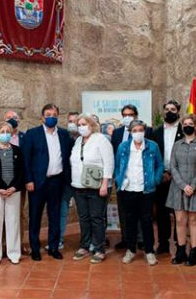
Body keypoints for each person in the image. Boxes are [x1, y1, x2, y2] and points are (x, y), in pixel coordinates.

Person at [22, 104, 73, 261]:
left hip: (57, 182)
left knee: (55, 216)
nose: (51, 117)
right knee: (35, 216)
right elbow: (26, 159)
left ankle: (53, 247)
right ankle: (35, 248)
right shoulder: (32, 134)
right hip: (37, 183)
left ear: (58, 116)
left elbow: (68, 158)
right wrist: (28, 180)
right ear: (42, 117)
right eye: (48, 114)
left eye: (54, 114)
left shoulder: (64, 135)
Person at [115, 120, 163, 265]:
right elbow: (117, 167)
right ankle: (131, 250)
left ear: (145, 131)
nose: (138, 132)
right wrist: (119, 180)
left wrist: (155, 180)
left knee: (147, 221)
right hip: (128, 190)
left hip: (146, 190)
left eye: (140, 129)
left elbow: (159, 165)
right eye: (134, 130)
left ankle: (149, 251)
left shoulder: (152, 146)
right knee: (130, 221)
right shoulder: (123, 147)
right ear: (130, 132)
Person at [70, 115, 114, 264]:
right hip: (78, 186)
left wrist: (104, 184)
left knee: (96, 218)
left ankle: (99, 248)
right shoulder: (78, 141)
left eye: (84, 124)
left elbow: (109, 163)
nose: (81, 127)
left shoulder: (101, 139)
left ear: (91, 125)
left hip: (96, 187)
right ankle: (85, 245)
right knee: (83, 218)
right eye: (79, 124)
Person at [0, 121, 25, 265]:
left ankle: (14, 253)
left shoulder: (17, 150)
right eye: (2, 132)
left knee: (13, 222)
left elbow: (21, 171)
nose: (5, 134)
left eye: (8, 131)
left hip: (13, 191)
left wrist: (14, 187)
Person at [166, 114, 196, 266]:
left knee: (193, 221)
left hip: (195, 187)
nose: (187, 126)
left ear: (195, 126)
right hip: (178, 187)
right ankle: (180, 251)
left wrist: (193, 185)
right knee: (180, 220)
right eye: (184, 124)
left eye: (190, 123)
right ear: (182, 127)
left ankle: (193, 252)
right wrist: (183, 185)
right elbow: (172, 166)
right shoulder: (177, 144)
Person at [112, 104, 148, 250]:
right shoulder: (116, 133)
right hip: (122, 178)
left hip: (139, 177)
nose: (128, 117)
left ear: (136, 115)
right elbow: (114, 154)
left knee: (139, 211)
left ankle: (140, 239)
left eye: (131, 114)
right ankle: (126, 238)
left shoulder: (145, 131)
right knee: (123, 209)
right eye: (125, 115)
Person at [151, 100, 184, 255]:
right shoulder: (155, 132)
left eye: (173, 109)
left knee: (179, 212)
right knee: (162, 212)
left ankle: (180, 244)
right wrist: (163, 173)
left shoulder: (184, 131)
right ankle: (163, 243)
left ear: (178, 112)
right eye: (166, 109)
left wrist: (174, 174)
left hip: (179, 178)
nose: (169, 112)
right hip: (161, 176)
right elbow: (152, 156)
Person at [59, 111, 80, 249]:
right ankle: (59, 239)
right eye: (70, 121)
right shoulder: (63, 137)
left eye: (75, 121)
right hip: (65, 182)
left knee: (84, 214)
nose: (72, 124)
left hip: (81, 182)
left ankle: (88, 239)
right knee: (62, 212)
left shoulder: (86, 138)